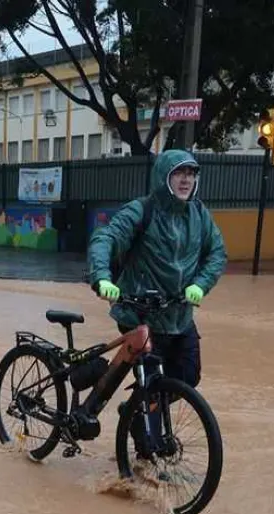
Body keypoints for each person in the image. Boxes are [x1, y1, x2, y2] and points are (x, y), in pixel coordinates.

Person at [86, 148, 228, 457]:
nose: (186, 180)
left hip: (179, 313)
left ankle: (134, 409)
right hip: (139, 310)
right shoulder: (142, 211)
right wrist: (103, 278)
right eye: (179, 173)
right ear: (165, 177)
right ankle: (143, 448)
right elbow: (105, 238)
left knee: (188, 377)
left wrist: (200, 285)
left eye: (191, 174)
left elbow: (217, 253)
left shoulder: (199, 215)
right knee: (152, 378)